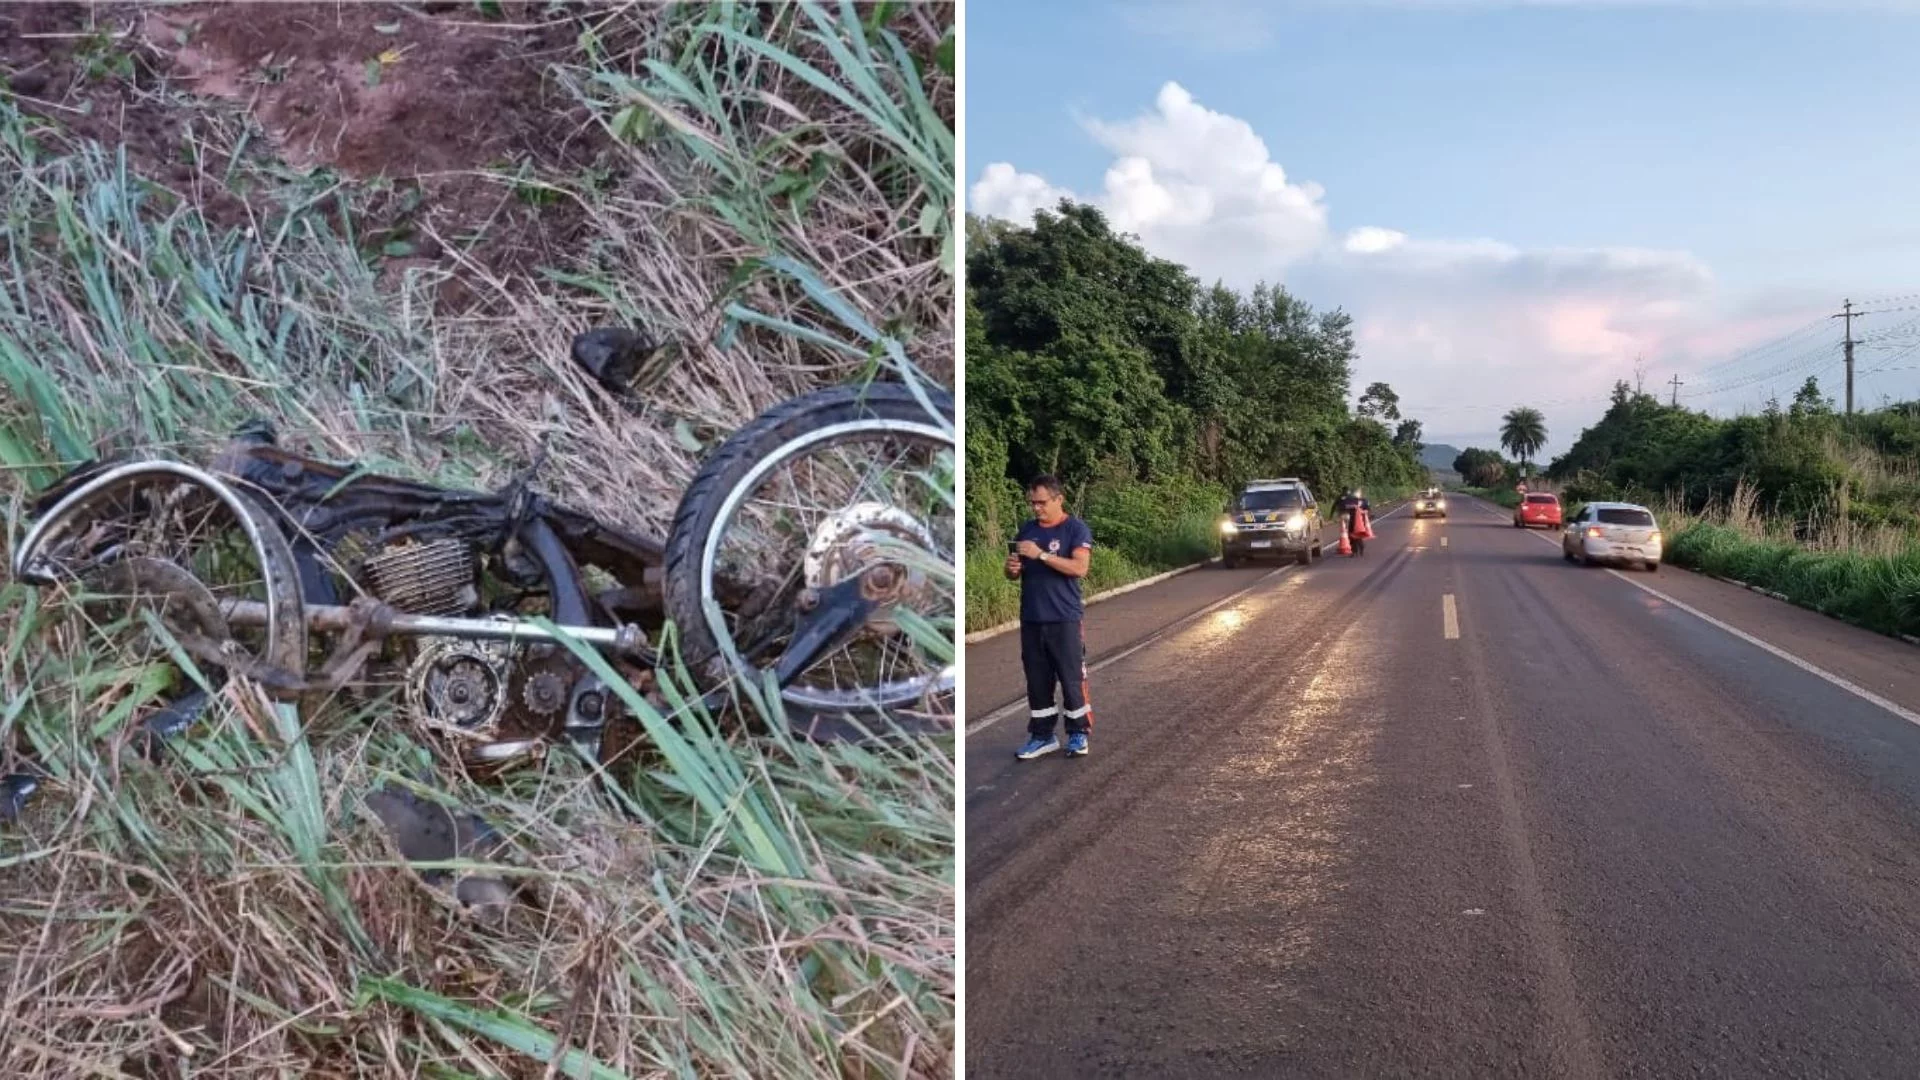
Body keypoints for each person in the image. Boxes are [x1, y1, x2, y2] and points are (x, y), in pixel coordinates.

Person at [1003, 475, 1095, 759]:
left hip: (1064, 617)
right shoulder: (1027, 530)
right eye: (1033, 503)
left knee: (1071, 678)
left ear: (1059, 499)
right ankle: (1042, 735)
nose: (1036, 508)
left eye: (1042, 502)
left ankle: (1078, 733)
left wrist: (1041, 555)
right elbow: (1012, 573)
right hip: (1032, 618)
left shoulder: (1075, 529)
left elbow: (1080, 568)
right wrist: (1012, 569)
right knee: (1037, 680)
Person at [1337, 487, 1372, 555]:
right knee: (1351, 535)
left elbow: (1367, 509)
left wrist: (1363, 511)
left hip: (1360, 521)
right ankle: (1354, 550)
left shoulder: (1363, 501)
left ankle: (1360, 548)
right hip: (1352, 520)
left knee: (1358, 534)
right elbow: (1343, 506)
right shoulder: (1349, 500)